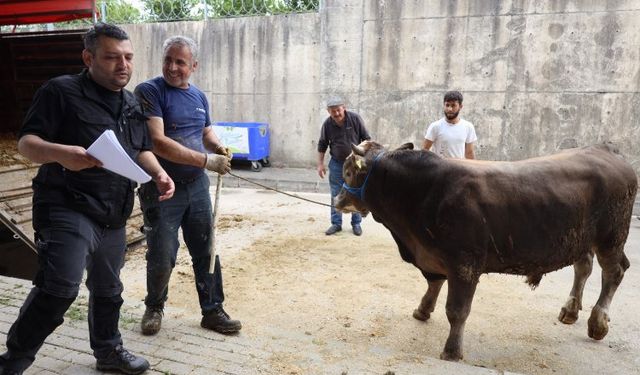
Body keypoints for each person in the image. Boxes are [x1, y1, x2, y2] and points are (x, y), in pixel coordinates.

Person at [0, 23, 175, 375]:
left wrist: (158, 172)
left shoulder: (133, 103)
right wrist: (62, 153)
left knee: (109, 288)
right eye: (111, 57)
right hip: (66, 203)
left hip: (113, 209)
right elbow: (26, 144)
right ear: (88, 57)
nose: (122, 65)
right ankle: (13, 362)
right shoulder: (60, 91)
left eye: (127, 57)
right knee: (61, 286)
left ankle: (108, 352)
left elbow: (139, 148)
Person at [134, 36, 242, 337]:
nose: (172, 67)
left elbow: (205, 132)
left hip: (196, 187)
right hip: (161, 188)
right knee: (162, 253)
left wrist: (219, 148)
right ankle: (154, 307)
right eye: (168, 59)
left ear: (193, 66)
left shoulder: (199, 97)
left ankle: (212, 310)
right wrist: (207, 162)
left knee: (206, 250)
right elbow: (157, 141)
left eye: (180, 62)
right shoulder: (149, 91)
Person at [317, 97, 371, 236]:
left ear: (344, 108)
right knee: (336, 193)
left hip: (355, 161)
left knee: (356, 191)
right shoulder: (327, 124)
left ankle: (356, 223)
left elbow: (366, 139)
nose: (336, 113)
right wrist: (320, 164)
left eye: (338, 110)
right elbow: (322, 144)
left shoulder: (355, 119)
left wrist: (364, 160)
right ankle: (336, 223)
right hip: (336, 163)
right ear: (328, 111)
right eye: (332, 111)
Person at [423, 90, 477, 159]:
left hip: (459, 168)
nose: (450, 109)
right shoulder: (435, 126)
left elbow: (469, 153)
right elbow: (425, 150)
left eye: (453, 105)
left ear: (460, 106)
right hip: (440, 168)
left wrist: (473, 168)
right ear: (444, 105)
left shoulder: (468, 127)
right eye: (447, 105)